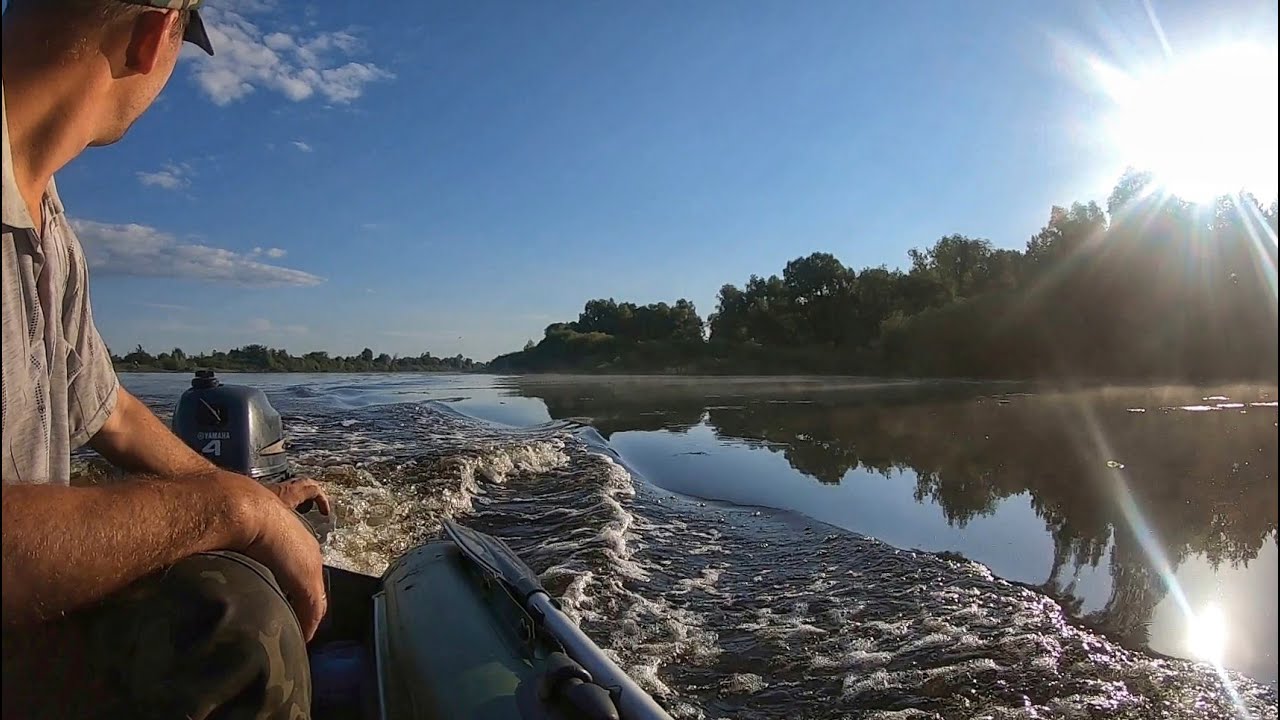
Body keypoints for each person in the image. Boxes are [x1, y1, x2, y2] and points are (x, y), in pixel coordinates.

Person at [2, 2, 332, 717]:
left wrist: (251, 502)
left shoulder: (47, 217)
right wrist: (227, 508)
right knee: (234, 630)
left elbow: (110, 411)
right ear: (155, 36)